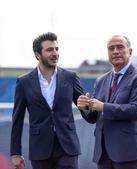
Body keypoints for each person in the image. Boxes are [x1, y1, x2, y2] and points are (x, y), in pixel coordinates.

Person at [10, 32, 84, 169]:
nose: (55, 53)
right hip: (40, 149)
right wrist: (15, 153)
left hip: (67, 147)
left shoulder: (71, 77)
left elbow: (86, 111)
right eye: (49, 50)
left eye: (56, 49)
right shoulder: (24, 82)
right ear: (37, 55)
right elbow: (17, 119)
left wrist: (90, 106)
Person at [77, 35, 137, 169]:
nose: (115, 51)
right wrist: (85, 107)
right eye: (111, 48)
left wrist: (103, 107)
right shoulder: (101, 80)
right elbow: (94, 117)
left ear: (130, 51)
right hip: (103, 153)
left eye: (120, 47)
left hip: (129, 152)